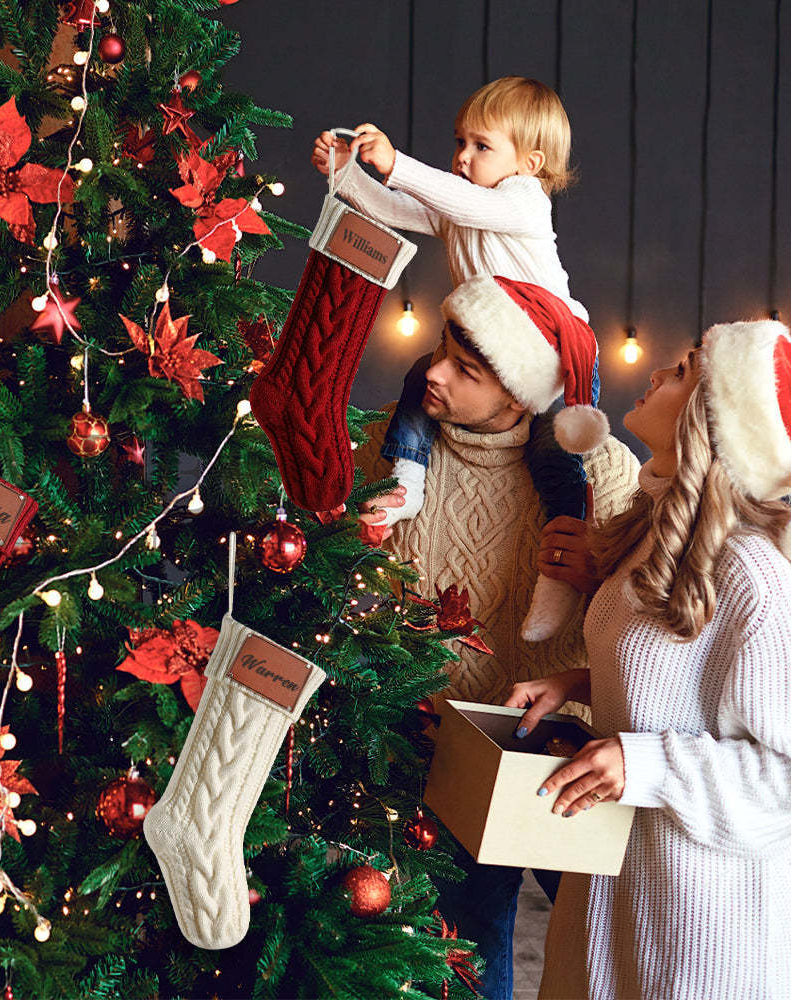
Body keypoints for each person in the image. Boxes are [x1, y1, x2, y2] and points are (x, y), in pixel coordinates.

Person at [354, 274, 639, 1000]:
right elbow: (340, 587)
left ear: (519, 395)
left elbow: (661, 623)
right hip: (435, 757)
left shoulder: (603, 473)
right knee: (468, 964)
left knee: (608, 962)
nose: (435, 374)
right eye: (443, 351)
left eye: (467, 370)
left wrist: (600, 575)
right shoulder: (392, 452)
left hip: (561, 757)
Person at [506, 320, 791, 998]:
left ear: (716, 414)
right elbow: (682, 681)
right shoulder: (647, 532)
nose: (660, 371)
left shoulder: (753, 571)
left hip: (704, 922)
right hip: (613, 888)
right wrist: (575, 683)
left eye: (686, 369)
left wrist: (645, 763)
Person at [313, 76, 607, 642]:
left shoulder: (524, 201)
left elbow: (456, 197)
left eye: (481, 146)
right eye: (460, 142)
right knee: (420, 379)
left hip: (550, 350)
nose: (463, 157)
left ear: (530, 161)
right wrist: (345, 173)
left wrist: (396, 162)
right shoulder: (464, 203)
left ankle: (559, 570)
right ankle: (407, 479)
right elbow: (398, 209)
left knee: (554, 460)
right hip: (482, 341)